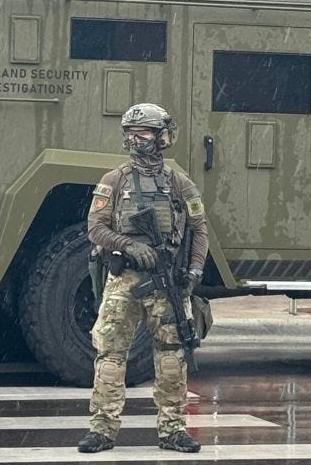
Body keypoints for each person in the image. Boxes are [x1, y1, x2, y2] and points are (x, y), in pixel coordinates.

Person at [77, 102, 209, 454]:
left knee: (172, 357)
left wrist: (194, 271)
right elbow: (95, 228)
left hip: (168, 283)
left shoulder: (179, 183)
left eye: (145, 133)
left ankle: (172, 430)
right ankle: (102, 429)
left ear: (162, 137)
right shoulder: (114, 180)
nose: (137, 140)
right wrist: (129, 246)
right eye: (132, 133)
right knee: (110, 354)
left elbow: (199, 230)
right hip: (124, 279)